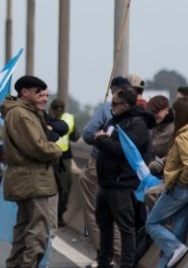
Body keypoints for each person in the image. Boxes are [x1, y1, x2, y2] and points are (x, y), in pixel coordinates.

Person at [0, 75, 64, 268]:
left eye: (45, 95)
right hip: (33, 180)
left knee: (24, 230)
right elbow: (36, 147)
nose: (43, 98)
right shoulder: (21, 114)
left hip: (29, 179)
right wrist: (57, 150)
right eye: (38, 93)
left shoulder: (27, 112)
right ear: (24, 92)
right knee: (38, 231)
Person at [145, 98, 188, 268]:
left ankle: (175, 246)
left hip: (182, 189)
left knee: (152, 223)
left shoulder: (183, 136)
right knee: (177, 235)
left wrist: (181, 181)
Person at [91, 89, 151, 268]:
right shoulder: (114, 121)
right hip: (106, 183)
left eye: (115, 103)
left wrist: (101, 140)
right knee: (104, 227)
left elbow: (124, 150)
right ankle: (104, 262)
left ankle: (126, 264)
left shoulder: (137, 124)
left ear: (126, 105)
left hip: (122, 184)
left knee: (126, 229)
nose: (112, 106)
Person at [80, 76, 134, 257]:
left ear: (114, 91)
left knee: (98, 216)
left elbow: (87, 134)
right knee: (123, 219)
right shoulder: (140, 115)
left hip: (102, 169)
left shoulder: (106, 108)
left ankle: (108, 256)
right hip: (129, 173)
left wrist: (100, 137)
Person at [48, 98, 80, 227]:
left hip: (62, 158)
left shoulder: (69, 119)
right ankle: (50, 215)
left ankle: (59, 215)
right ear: (52, 110)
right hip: (48, 156)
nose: (58, 113)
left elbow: (75, 136)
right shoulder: (44, 118)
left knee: (64, 187)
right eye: (57, 110)